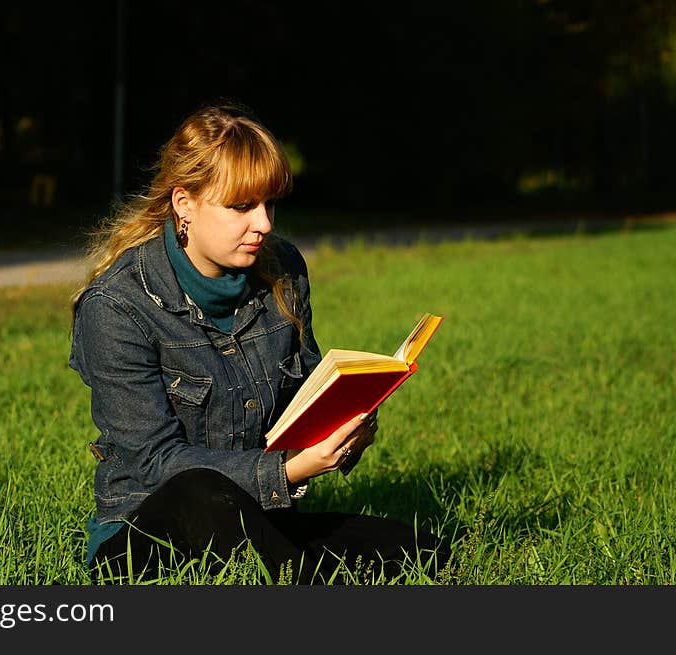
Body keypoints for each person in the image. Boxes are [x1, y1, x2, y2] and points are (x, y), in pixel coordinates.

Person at [68, 102, 451, 584]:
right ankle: (301, 579)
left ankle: (292, 570)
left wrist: (346, 428)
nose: (265, 224)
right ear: (184, 204)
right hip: (147, 531)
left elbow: (302, 398)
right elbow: (154, 464)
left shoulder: (283, 270)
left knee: (420, 549)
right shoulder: (117, 306)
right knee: (200, 491)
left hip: (260, 515)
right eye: (242, 207)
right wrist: (288, 472)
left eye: (269, 204)